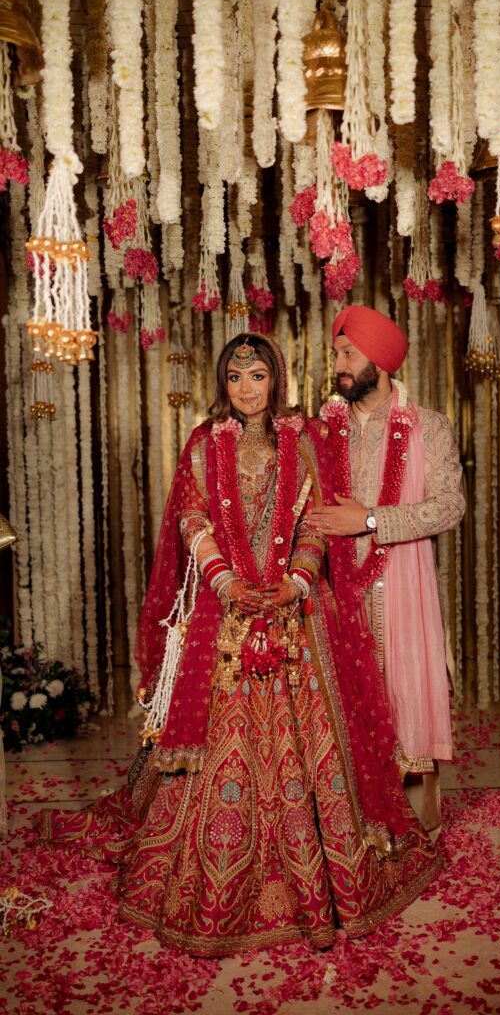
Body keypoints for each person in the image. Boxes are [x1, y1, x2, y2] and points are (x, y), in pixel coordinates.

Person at [39, 333, 441, 957]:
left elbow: (317, 521)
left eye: (257, 376)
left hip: (296, 611)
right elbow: (191, 518)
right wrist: (225, 581)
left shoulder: (303, 438)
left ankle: (324, 869)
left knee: (312, 743)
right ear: (222, 384)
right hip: (224, 609)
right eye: (235, 377)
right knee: (219, 740)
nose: (247, 389)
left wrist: (296, 582)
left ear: (275, 378)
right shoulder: (205, 441)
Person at [308, 305, 466, 840]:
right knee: (339, 703)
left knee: (405, 695)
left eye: (349, 354)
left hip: (403, 588)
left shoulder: (429, 427)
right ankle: (348, 829)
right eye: (336, 354)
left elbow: (450, 507)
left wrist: (370, 520)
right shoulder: (319, 431)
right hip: (333, 589)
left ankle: (416, 828)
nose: (339, 365)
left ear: (381, 360)